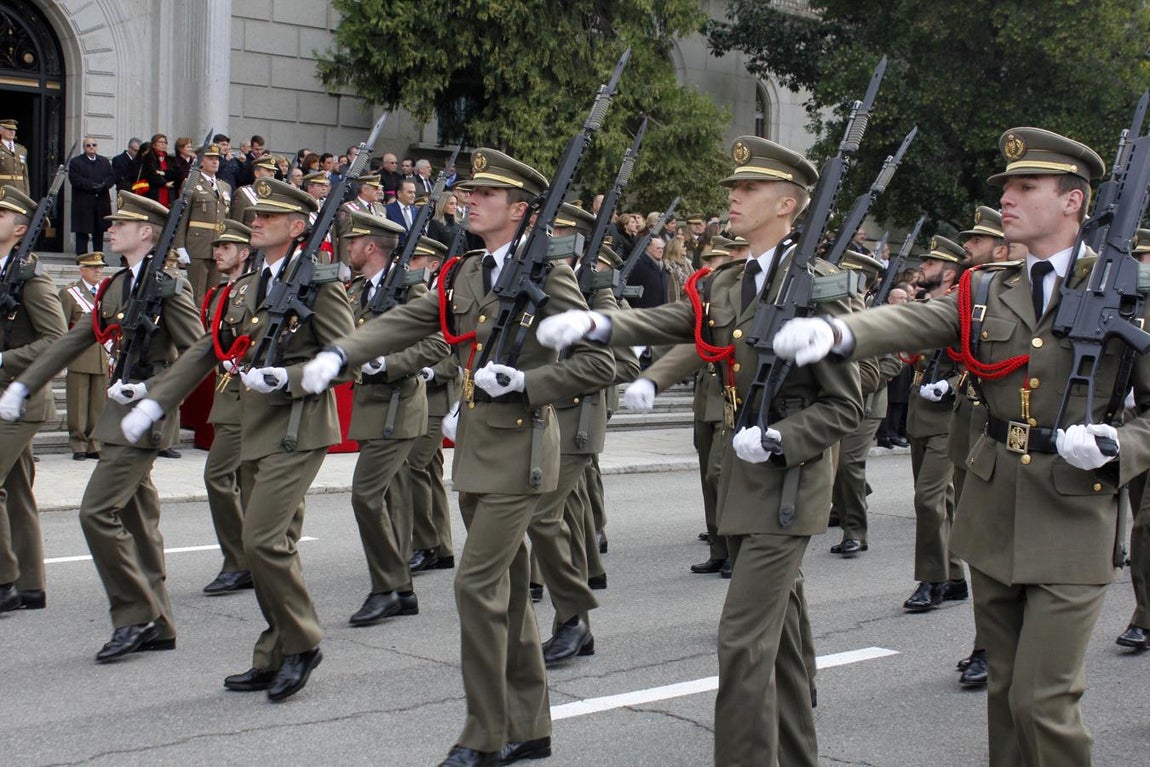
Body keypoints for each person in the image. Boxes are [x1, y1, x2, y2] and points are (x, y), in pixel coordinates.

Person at [772, 126, 1150, 766]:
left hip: (1074, 515)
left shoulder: (1127, 293)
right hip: (993, 508)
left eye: (1027, 187)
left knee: (1043, 701)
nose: (1007, 198)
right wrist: (839, 335)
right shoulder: (986, 287)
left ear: (1073, 202)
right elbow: (916, 320)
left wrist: (1124, 445)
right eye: (1006, 186)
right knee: (1003, 692)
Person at [536, 136, 863, 766]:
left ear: (788, 204)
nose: (733, 199)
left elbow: (846, 404)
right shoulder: (731, 280)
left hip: (789, 483)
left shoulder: (819, 287)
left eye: (748, 190)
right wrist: (598, 325)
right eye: (733, 190)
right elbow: (674, 322)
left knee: (741, 642)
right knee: (785, 642)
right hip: (742, 476)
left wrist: (780, 438)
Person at [301, 148, 615, 766]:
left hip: (524, 447)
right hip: (475, 448)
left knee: (476, 586)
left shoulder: (550, 274)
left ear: (520, 209)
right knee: (500, 589)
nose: (469, 200)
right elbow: (420, 321)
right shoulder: (468, 271)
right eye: (470, 193)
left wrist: (528, 383)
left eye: (486, 196)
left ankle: (485, 732)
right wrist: (342, 354)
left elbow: (598, 362)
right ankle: (529, 725)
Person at [121, 178, 355, 701]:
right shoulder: (247, 287)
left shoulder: (320, 284)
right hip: (254, 426)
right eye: (256, 214)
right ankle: (275, 651)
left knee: (262, 541)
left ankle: (302, 642)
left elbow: (346, 354)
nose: (255, 220)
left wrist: (290, 378)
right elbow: (209, 347)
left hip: (298, 428)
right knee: (274, 545)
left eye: (268, 216)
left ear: (298, 228)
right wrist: (158, 400)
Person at [0, 191, 200, 658]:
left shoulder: (170, 285)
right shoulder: (115, 286)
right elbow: (72, 340)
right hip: (118, 417)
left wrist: (154, 392)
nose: (109, 229)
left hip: (148, 415)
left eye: (121, 224)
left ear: (147, 232)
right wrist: (24, 385)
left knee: (96, 512)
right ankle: (161, 623)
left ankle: (136, 616)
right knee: (137, 517)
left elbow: (198, 352)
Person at [342, 217, 449, 626]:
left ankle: (387, 587)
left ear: (371, 246)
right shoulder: (358, 291)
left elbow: (438, 341)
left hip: (399, 404)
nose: (346, 246)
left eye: (353, 240)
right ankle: (401, 589)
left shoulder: (409, 288)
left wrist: (389, 363)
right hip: (371, 405)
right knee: (389, 497)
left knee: (365, 495)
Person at [0, 186, 68, 615]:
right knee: (16, 489)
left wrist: (3, 359)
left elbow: (57, 341)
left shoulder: (32, 278)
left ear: (21, 228)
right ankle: (30, 585)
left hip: (21, 398)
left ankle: (4, 580)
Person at [900, 236, 968, 612]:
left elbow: (976, 360)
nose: (923, 267)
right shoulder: (926, 306)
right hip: (919, 413)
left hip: (948, 418)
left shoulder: (963, 306)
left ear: (949, 272)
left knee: (928, 499)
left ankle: (932, 579)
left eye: (931, 263)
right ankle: (955, 576)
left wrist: (951, 385)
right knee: (941, 501)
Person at [199, 219, 256, 597]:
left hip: (249, 398)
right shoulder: (219, 293)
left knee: (219, 476)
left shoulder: (254, 289)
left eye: (226, 247)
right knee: (239, 479)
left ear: (244, 253)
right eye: (216, 246)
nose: (217, 252)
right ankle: (250, 556)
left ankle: (240, 560)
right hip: (227, 398)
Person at [58, 252, 110, 461]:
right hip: (80, 356)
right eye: (93, 267)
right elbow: (61, 326)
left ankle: (94, 443)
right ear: (82, 270)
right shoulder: (70, 293)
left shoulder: (106, 293)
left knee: (99, 403)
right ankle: (78, 444)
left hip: (102, 356)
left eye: (100, 268)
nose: (98, 271)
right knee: (78, 403)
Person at [173, 142, 232, 304]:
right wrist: (180, 246)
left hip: (217, 246)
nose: (215, 161)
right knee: (197, 295)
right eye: (210, 158)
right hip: (197, 246)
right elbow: (182, 216)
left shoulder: (223, 186)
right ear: (200, 161)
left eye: (217, 158)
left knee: (212, 296)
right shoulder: (192, 183)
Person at [67, 136, 115, 255]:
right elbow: (75, 179)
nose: (91, 147)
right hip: (83, 202)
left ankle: (98, 257)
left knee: (99, 232)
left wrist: (104, 185)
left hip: (101, 201)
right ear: (84, 148)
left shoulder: (104, 161)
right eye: (88, 145)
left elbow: (111, 177)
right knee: (82, 231)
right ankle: (82, 258)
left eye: (94, 145)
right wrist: (93, 186)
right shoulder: (76, 162)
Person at [0, 120, 29, 195]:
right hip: (3, 190)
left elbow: (25, 174)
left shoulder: (21, 150)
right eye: (9, 129)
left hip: (20, 190)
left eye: (14, 130)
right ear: (1, 131)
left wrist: (26, 193)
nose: (12, 132)